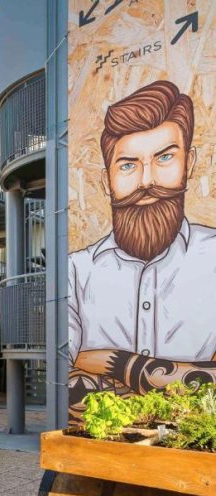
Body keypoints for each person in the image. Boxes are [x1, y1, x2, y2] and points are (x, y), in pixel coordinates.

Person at [69, 80, 216, 410]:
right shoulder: (75, 272)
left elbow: (77, 376)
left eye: (164, 157)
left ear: (188, 164)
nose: (146, 181)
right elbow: (63, 379)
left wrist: (121, 366)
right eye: (128, 165)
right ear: (107, 178)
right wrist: (189, 376)